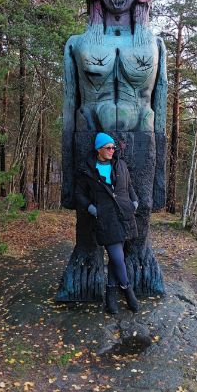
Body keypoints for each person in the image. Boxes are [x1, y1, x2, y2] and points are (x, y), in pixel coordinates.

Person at [74, 132, 140, 314]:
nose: (112, 150)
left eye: (113, 147)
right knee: (117, 258)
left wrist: (134, 202)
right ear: (98, 149)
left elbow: (129, 186)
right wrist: (91, 208)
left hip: (125, 215)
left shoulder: (120, 165)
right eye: (108, 148)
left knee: (115, 259)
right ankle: (127, 290)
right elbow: (79, 194)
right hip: (105, 219)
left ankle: (111, 296)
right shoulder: (88, 171)